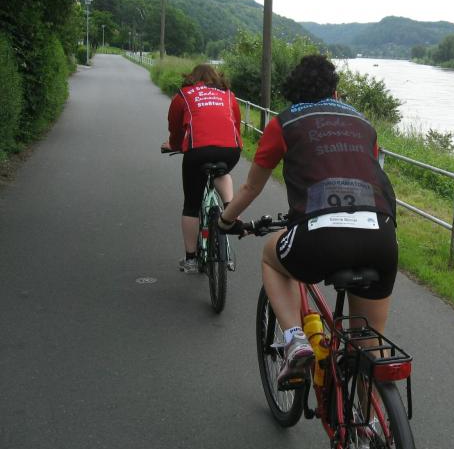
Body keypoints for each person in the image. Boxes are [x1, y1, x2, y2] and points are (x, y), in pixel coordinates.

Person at [218, 54, 398, 386]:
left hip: (321, 235)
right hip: (381, 233)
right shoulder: (363, 123)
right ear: (335, 92)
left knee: (271, 257)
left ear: (294, 94)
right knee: (369, 348)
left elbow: (251, 187)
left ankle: (294, 341)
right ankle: (369, 416)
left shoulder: (284, 123)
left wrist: (226, 221)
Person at [162, 63, 243, 273]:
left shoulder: (183, 95)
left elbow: (174, 128)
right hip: (230, 150)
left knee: (191, 205)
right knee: (222, 171)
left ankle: (191, 260)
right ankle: (230, 208)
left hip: (197, 151)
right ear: (216, 77)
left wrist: (175, 144)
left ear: (192, 77)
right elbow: (236, 124)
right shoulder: (228, 95)